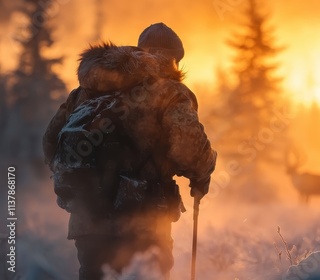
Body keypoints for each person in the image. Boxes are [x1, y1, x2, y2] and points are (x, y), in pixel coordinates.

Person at [43, 23, 216, 280]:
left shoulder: (86, 90)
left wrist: (92, 182)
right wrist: (203, 172)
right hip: (144, 220)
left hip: (88, 220)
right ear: (175, 59)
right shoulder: (170, 92)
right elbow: (188, 148)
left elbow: (50, 142)